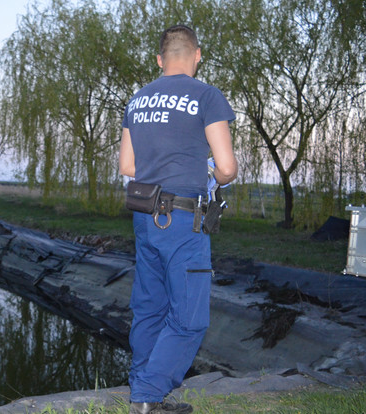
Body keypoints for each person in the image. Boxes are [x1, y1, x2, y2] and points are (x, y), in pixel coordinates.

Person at [119, 25, 237, 414]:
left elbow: (128, 165)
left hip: (144, 217)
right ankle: (148, 396)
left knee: (150, 307)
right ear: (197, 55)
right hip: (184, 222)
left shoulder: (137, 100)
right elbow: (227, 167)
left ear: (159, 59)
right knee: (189, 318)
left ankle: (143, 390)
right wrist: (211, 174)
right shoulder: (206, 96)